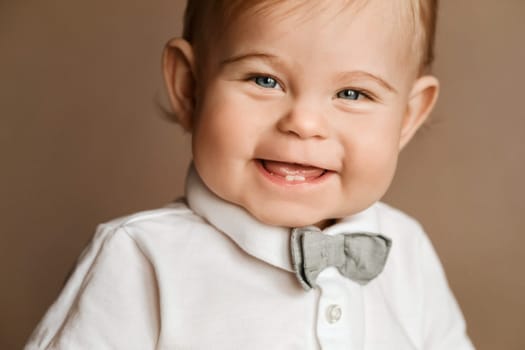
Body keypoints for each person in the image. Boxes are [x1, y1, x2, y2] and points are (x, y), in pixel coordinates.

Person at [25, 0, 475, 349]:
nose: (304, 122)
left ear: (407, 118)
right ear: (189, 88)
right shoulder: (140, 258)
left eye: (352, 93)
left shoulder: (407, 250)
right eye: (264, 80)